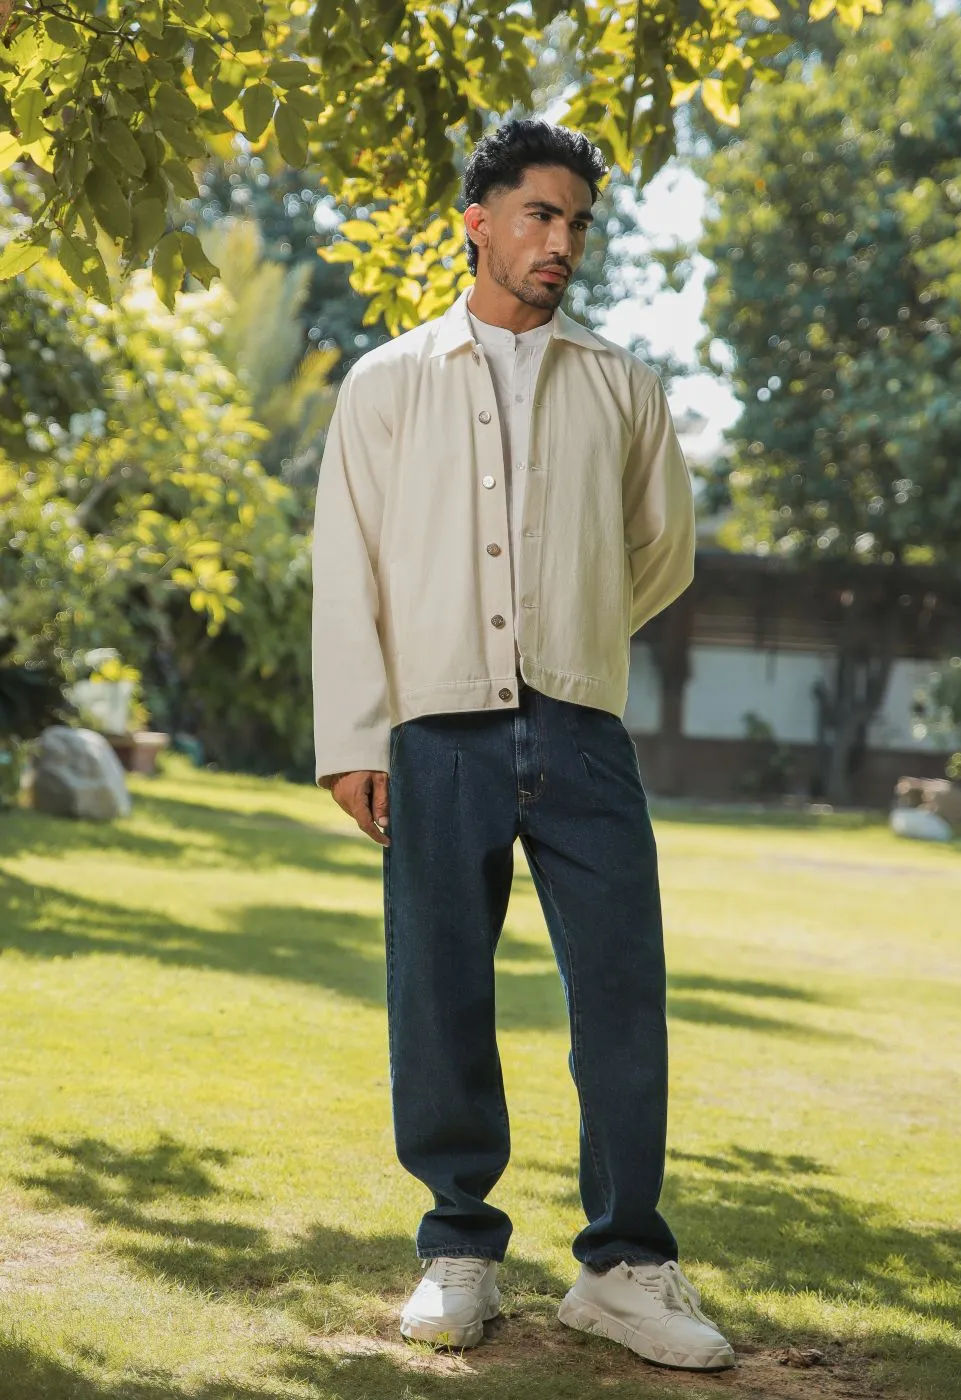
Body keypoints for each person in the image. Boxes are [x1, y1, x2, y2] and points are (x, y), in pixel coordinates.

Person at [311, 117, 736, 1373]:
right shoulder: (387, 382)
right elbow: (351, 569)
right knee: (437, 988)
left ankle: (623, 1264)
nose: (560, 242)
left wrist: (579, 635)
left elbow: (658, 551)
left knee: (621, 991)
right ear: (477, 222)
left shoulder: (620, 385)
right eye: (539, 215)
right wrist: (353, 735)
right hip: (433, 729)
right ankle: (457, 1249)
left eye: (578, 222)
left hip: (581, 725)